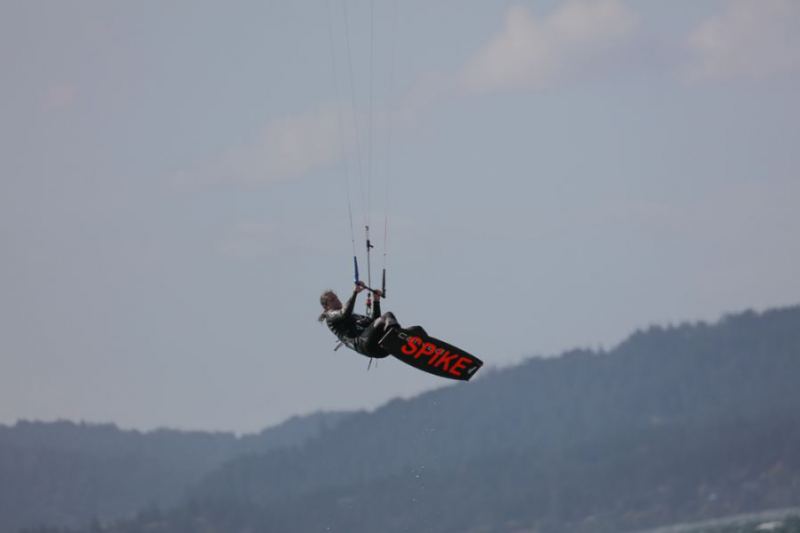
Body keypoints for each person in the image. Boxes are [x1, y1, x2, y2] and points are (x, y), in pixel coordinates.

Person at [319, 281, 399, 358]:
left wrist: (376, 301)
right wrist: (355, 292)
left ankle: (401, 339)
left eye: (336, 298)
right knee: (387, 316)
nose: (337, 300)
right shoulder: (330, 316)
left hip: (381, 349)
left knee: (388, 318)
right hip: (365, 344)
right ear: (326, 307)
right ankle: (399, 336)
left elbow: (375, 322)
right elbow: (344, 313)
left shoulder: (354, 316)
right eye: (332, 300)